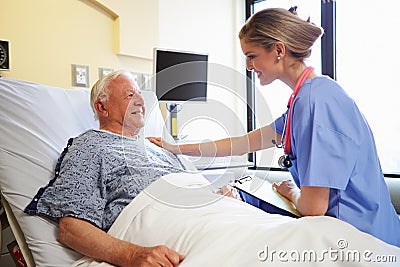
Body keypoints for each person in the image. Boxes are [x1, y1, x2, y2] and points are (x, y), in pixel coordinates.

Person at [148, 7, 400, 247]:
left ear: (279, 50)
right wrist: (176, 148)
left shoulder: (317, 101)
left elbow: (313, 208)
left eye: (252, 56)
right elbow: (245, 143)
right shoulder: (305, 99)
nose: (248, 66)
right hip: (361, 228)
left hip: (363, 239)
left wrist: (291, 191)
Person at [24, 70, 187, 266]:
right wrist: (133, 255)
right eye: (130, 95)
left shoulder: (158, 147)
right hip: (168, 227)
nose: (140, 102)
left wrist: (216, 195)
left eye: (140, 95)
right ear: (102, 107)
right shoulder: (91, 146)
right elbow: (72, 228)